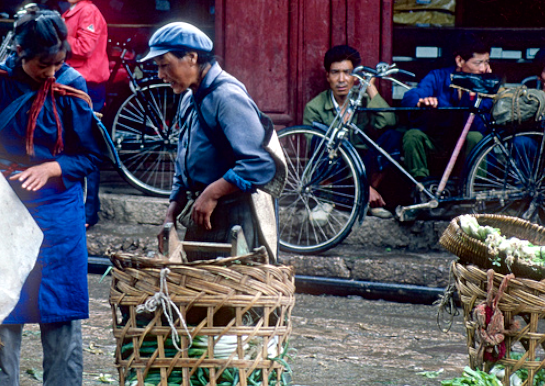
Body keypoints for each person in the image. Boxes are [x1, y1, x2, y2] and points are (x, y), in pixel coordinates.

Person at [0, 8, 102, 386]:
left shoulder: (72, 88)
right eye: (43, 64)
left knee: (61, 321)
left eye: (58, 63)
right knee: (4, 317)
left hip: (57, 216)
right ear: (20, 53)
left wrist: (55, 166)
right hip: (2, 210)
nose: (51, 73)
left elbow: (92, 156)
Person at [141, 22, 280, 260]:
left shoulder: (227, 97)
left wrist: (212, 193)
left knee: (233, 293)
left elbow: (260, 164)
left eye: (165, 66)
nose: (161, 75)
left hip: (235, 215)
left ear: (192, 57)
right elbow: (184, 161)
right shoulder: (188, 98)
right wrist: (172, 212)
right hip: (203, 215)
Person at [303, 45, 398, 216]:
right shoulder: (314, 108)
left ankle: (369, 200)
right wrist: (363, 186)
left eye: (348, 73)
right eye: (335, 72)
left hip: (364, 167)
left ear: (355, 77)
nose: (341, 79)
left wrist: (371, 89)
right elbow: (316, 150)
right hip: (335, 169)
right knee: (321, 143)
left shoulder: (362, 101)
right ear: (327, 76)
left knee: (391, 137)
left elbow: (388, 121)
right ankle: (325, 201)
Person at [400, 34, 492, 185]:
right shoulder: (438, 76)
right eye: (478, 63)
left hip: (465, 145)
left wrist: (475, 96)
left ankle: (476, 190)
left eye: (486, 62)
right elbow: (412, 95)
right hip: (438, 142)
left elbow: (479, 125)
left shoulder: (486, 83)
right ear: (460, 60)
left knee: (475, 137)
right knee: (412, 135)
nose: (483, 68)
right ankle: (421, 189)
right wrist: (421, 102)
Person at [59, 0, 109, 228]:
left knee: (86, 147)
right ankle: (83, 210)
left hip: (87, 86)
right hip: (74, 84)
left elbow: (84, 47)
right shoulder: (71, 11)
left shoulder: (88, 12)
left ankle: (89, 213)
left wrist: (54, 39)